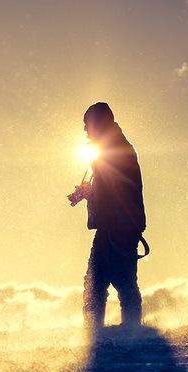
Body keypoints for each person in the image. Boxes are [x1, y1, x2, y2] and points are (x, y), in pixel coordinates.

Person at [73, 102, 146, 335]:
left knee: (102, 283)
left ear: (98, 124)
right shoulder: (113, 147)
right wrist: (89, 191)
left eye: (87, 125)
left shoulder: (116, 150)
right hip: (118, 226)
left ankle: (100, 336)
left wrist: (91, 193)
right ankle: (123, 332)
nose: (85, 130)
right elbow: (114, 188)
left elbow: (118, 191)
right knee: (108, 282)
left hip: (118, 228)